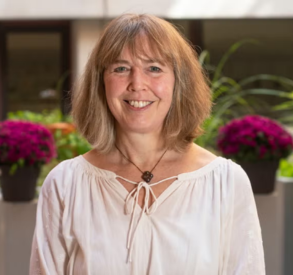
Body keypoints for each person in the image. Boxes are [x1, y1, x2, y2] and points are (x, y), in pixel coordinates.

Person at [29, 14, 265, 275]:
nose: (137, 84)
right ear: (101, 83)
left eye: (154, 68)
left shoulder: (226, 183)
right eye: (120, 68)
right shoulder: (65, 184)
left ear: (179, 81)